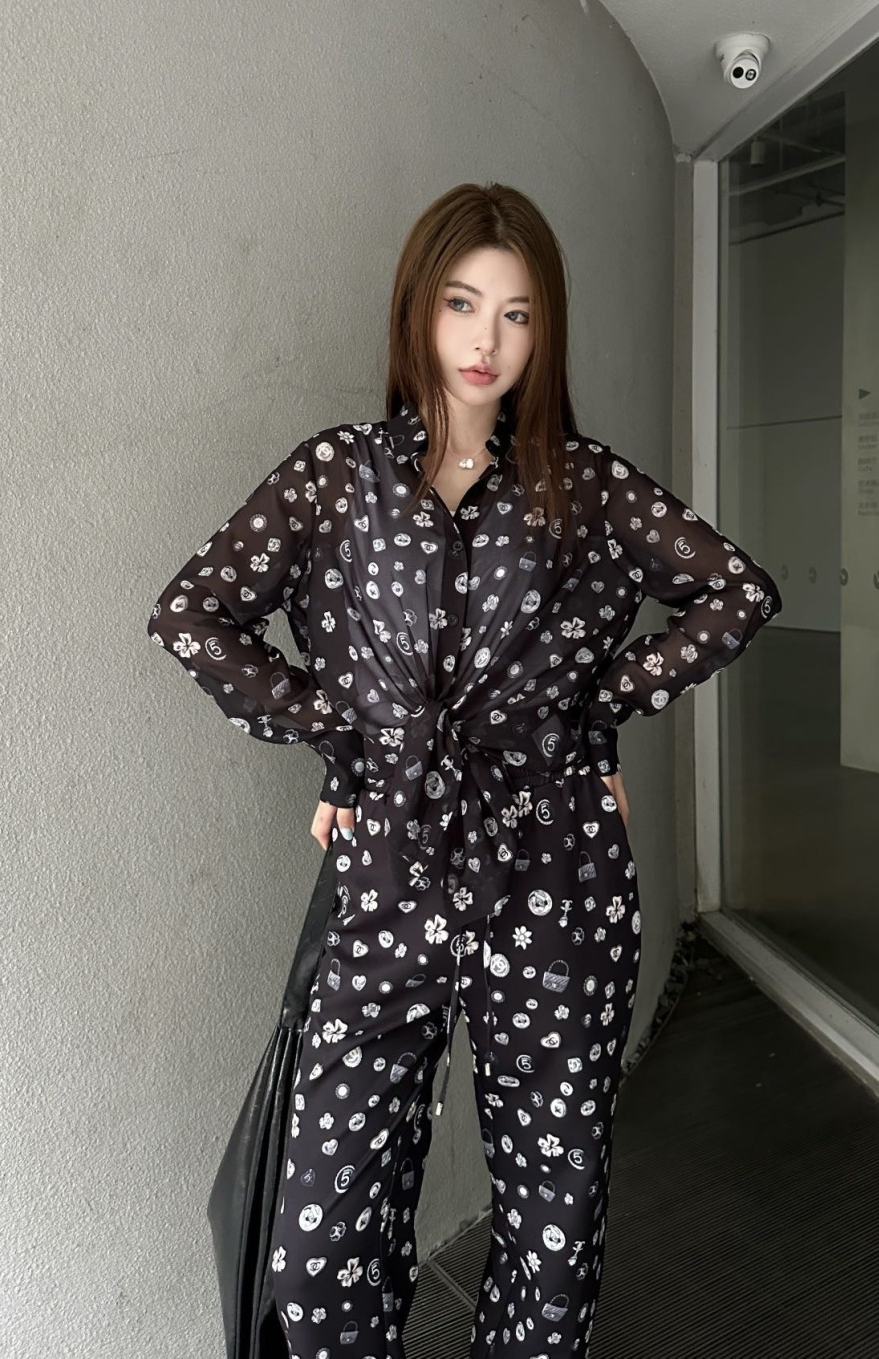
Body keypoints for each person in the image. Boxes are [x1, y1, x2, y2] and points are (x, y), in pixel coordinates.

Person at [146, 181, 782, 1359]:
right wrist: (342, 739)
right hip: (389, 880)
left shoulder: (582, 486)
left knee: (554, 1221)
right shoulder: (338, 476)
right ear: (416, 310)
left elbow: (735, 592)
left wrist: (595, 713)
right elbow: (194, 614)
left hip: (557, 877)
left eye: (517, 313)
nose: (487, 339)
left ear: (544, 333)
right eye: (460, 303)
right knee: (321, 1237)